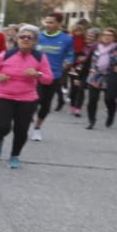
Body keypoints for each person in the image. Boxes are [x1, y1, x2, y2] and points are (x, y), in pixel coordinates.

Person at [0, 25, 53, 168]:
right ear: (17, 39)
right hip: (3, 95)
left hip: (27, 99)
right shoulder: (6, 55)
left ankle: (15, 155)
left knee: (21, 130)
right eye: (22, 37)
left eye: (29, 37)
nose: (25, 39)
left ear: (35, 41)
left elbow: (48, 78)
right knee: (2, 127)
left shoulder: (40, 57)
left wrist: (37, 74)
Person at [31, 12, 73, 141]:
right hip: (35, 75)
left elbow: (70, 55)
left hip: (53, 75)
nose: (48, 25)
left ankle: (37, 128)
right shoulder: (38, 37)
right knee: (33, 101)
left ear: (59, 24)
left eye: (51, 22)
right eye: (47, 22)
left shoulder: (67, 39)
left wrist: (68, 61)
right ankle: (27, 121)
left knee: (45, 104)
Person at [85, 26, 117, 130]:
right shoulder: (96, 47)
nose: (107, 37)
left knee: (109, 99)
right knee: (92, 99)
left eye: (110, 35)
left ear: (114, 38)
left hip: (110, 76)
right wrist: (80, 77)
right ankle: (91, 121)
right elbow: (87, 62)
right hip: (95, 75)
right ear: (101, 37)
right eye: (105, 35)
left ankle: (111, 114)